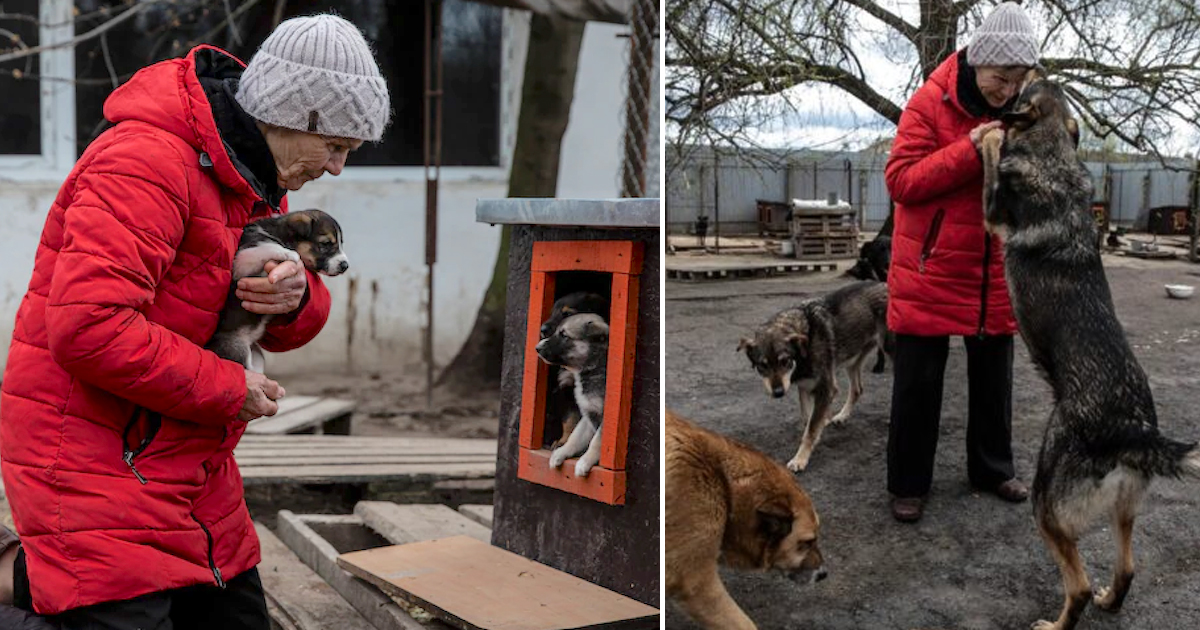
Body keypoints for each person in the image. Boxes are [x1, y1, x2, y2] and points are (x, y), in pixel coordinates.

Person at [0, 13, 389, 628]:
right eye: (335, 147)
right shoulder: (145, 161)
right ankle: (25, 576)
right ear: (295, 117)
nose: (338, 168)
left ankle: (27, 576)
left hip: (187, 460)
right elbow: (89, 327)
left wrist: (293, 298)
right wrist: (229, 387)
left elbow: (273, 319)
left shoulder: (250, 177)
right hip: (92, 454)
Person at [884, 1, 1036, 523]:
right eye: (1001, 78)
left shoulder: (1022, 107)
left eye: (1018, 80)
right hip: (932, 265)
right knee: (918, 383)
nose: (1008, 90)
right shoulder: (930, 103)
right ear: (977, 61)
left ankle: (993, 468)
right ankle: (908, 483)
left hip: (995, 268)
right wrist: (970, 151)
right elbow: (901, 180)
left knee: (996, 378)